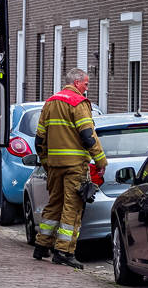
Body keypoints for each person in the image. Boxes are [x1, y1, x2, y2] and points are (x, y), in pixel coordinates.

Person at [34, 67, 106, 269]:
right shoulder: (78, 103)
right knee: (72, 208)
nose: (86, 88)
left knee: (54, 204)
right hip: (75, 166)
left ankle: (41, 245)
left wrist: (46, 162)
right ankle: (64, 252)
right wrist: (101, 161)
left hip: (54, 166)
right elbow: (88, 136)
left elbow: (39, 139)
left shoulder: (50, 103)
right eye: (86, 84)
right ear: (76, 83)